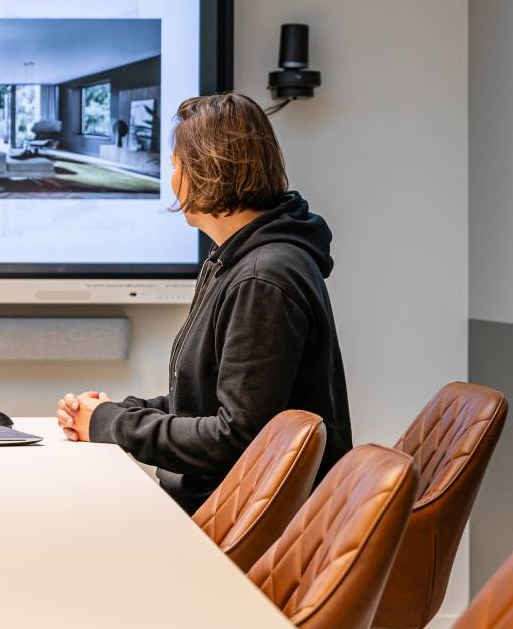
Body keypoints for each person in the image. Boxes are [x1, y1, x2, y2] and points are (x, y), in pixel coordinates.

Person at [55, 92, 350, 512]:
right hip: (223, 508)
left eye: (175, 166)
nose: (171, 178)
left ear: (207, 173)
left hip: (236, 525)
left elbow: (236, 440)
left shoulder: (262, 278)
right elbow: (205, 403)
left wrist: (112, 423)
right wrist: (111, 412)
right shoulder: (235, 260)